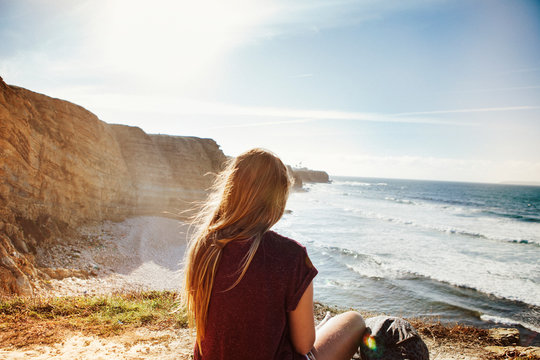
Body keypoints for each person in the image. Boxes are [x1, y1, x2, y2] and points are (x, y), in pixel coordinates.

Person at [183, 148, 366, 360]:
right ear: (277, 200)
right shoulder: (291, 256)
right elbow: (304, 344)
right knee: (354, 320)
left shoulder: (205, 247)